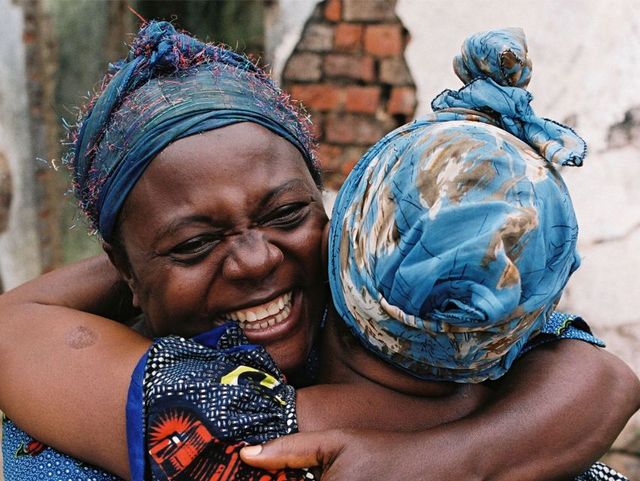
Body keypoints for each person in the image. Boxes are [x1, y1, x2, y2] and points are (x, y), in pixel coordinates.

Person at [0, 22, 637, 481]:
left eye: (285, 214)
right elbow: (601, 377)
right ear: (124, 271)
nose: (254, 260)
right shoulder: (481, 371)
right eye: (195, 242)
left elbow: (601, 375)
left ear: (331, 208)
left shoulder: (396, 300)